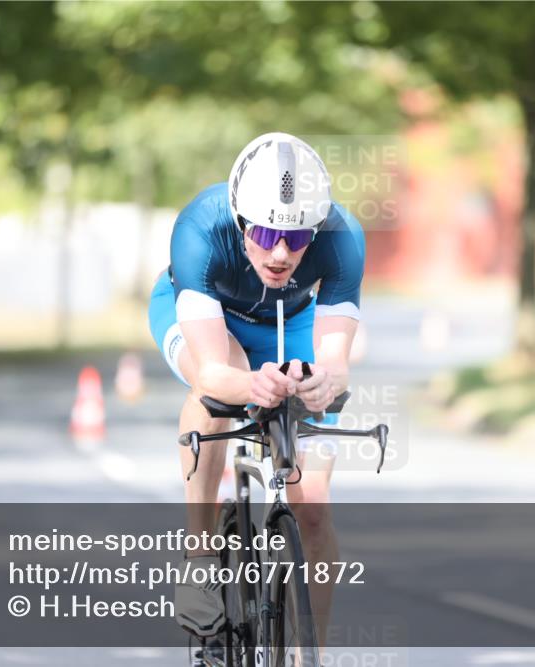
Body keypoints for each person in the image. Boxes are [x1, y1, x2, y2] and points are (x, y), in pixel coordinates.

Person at [148, 132, 365, 642]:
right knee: (221, 391)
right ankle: (200, 556)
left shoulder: (343, 237)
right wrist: (252, 384)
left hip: (290, 320)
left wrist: (321, 382)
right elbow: (212, 373)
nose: (282, 254)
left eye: (298, 238)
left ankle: (309, 653)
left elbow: (336, 363)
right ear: (241, 220)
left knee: (312, 506)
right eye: (266, 235)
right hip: (210, 319)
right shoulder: (199, 228)